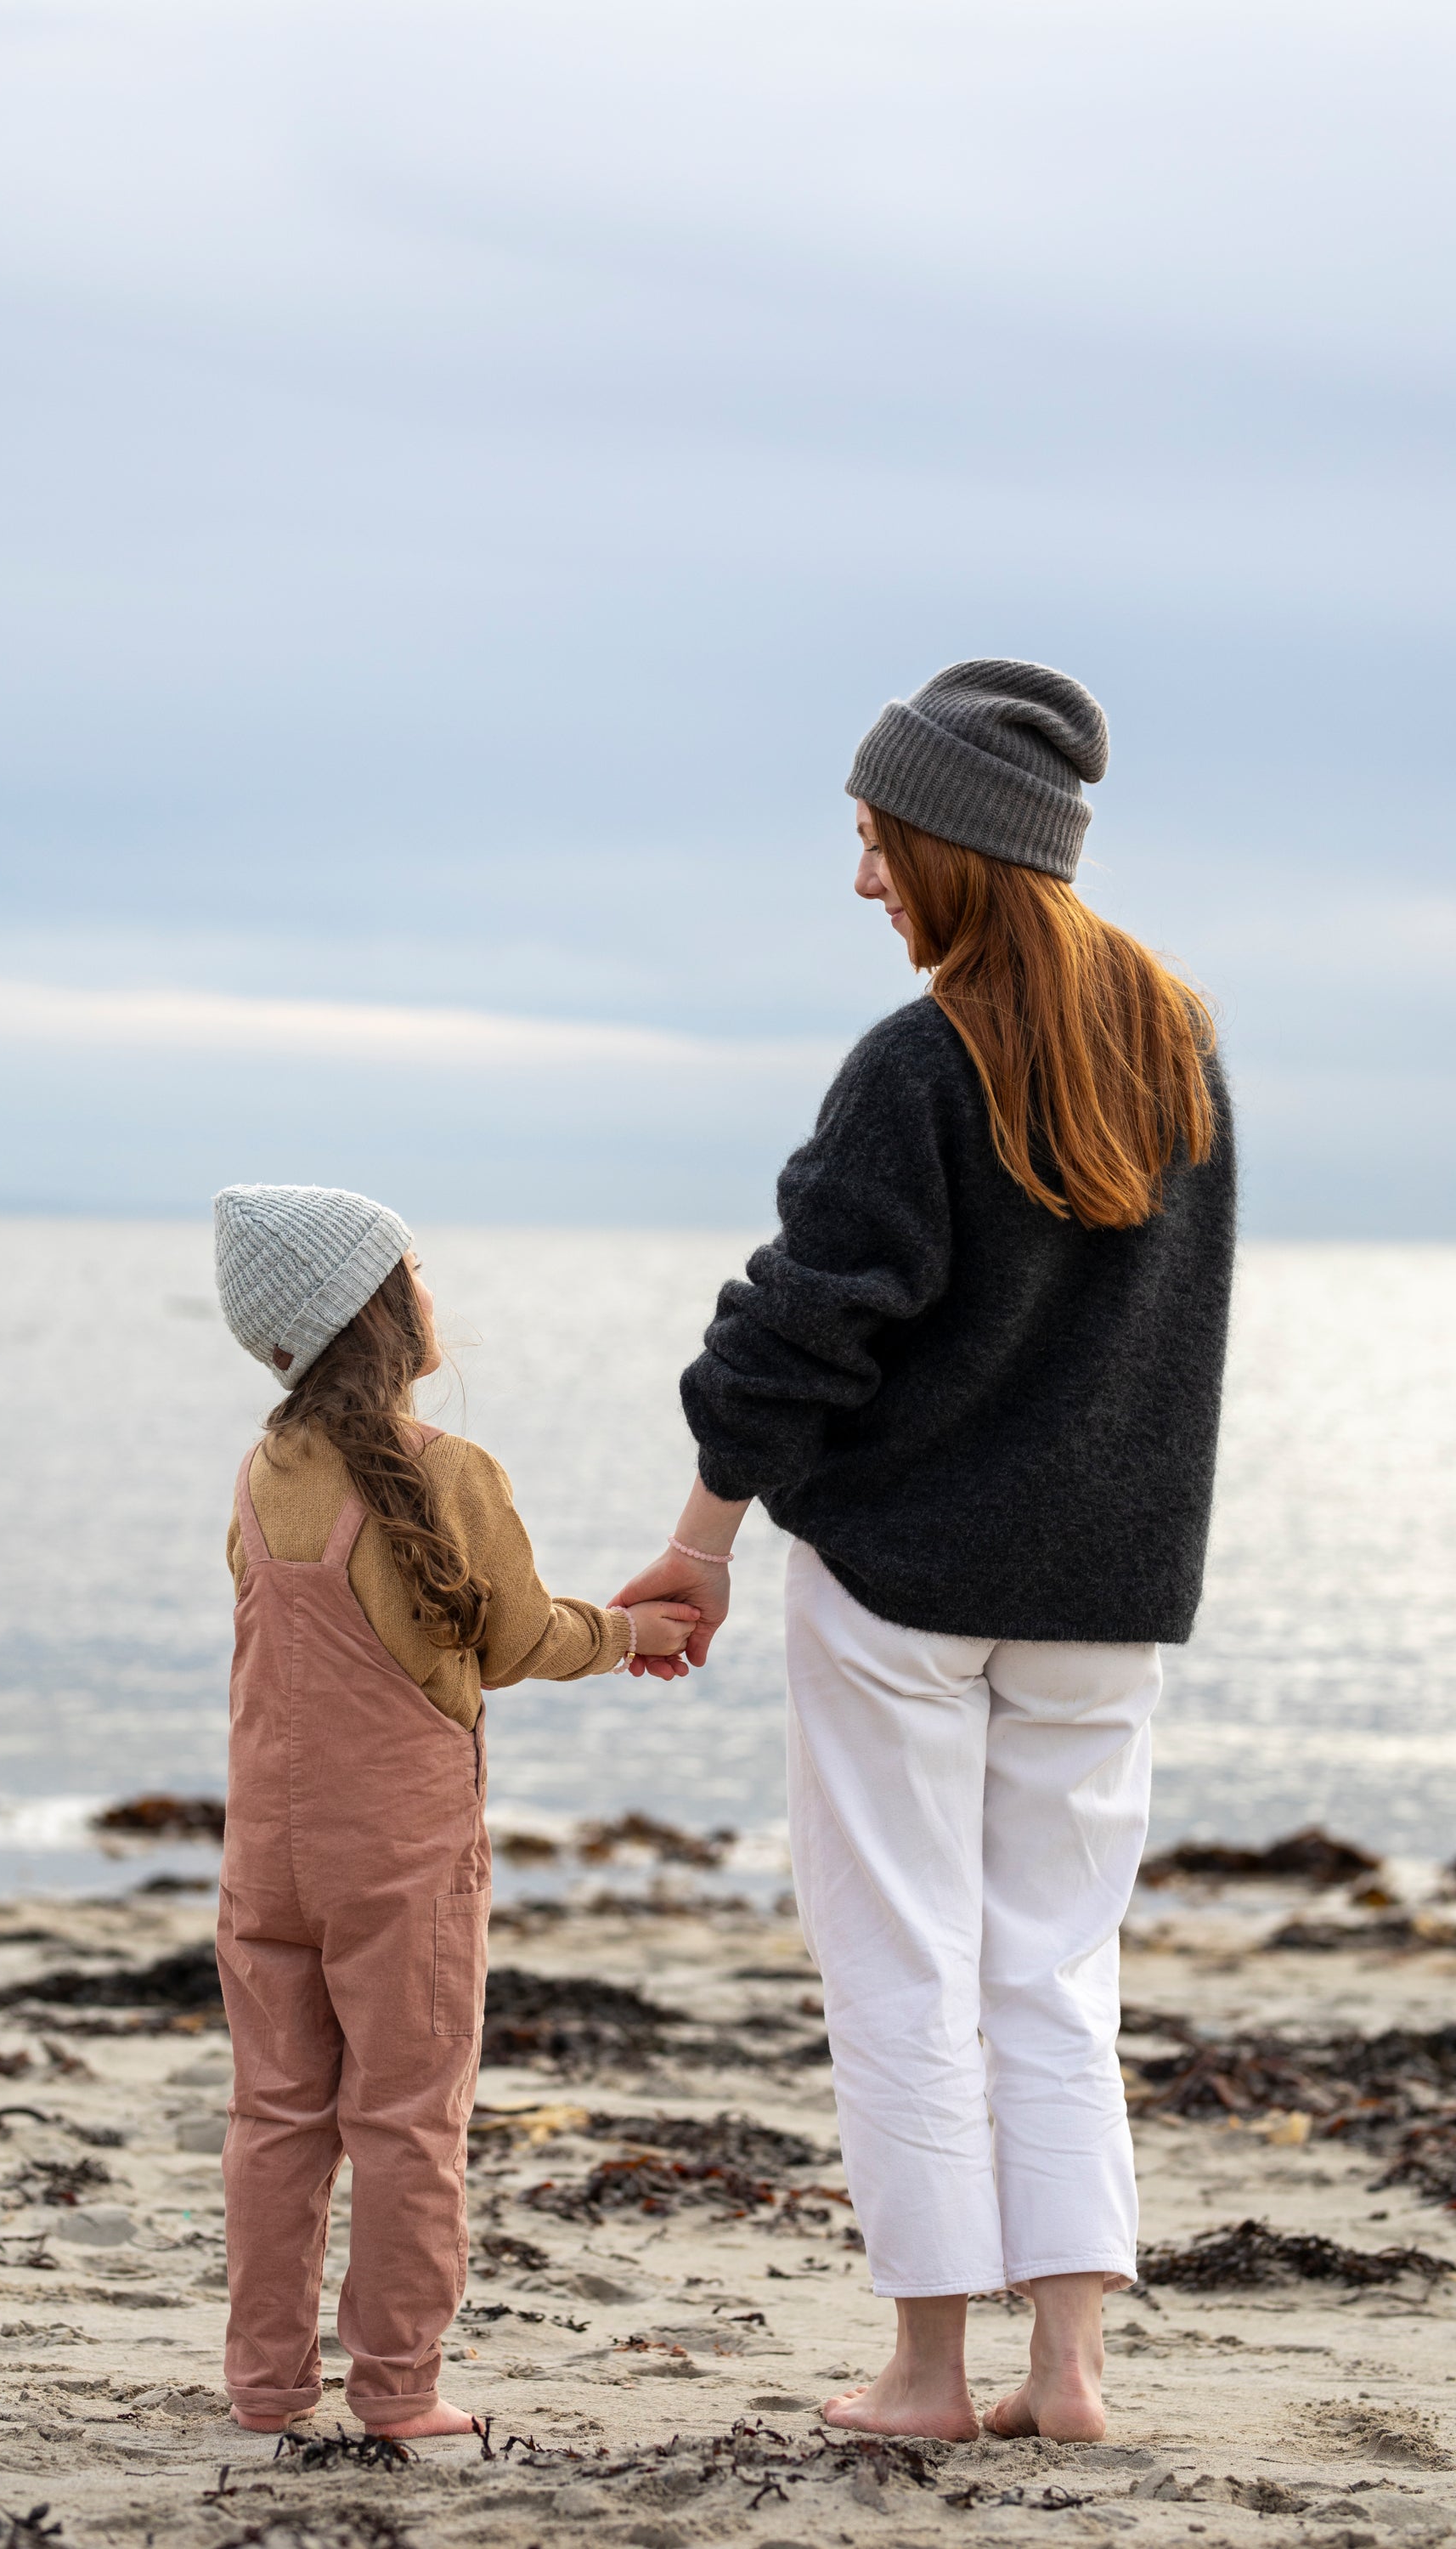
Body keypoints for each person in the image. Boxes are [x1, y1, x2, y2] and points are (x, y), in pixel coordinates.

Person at [614, 659, 1235, 2444]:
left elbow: (797, 1329)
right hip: (1105, 1593)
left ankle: (928, 2375)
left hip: (903, 1582)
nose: (864, 876)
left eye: (879, 840)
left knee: (902, 1961)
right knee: (1055, 1969)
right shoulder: (1175, 1041)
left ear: (956, 844)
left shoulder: (920, 1058)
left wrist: (701, 1545)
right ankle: (1072, 2373)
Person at [210, 1184, 697, 2439]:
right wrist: (632, 1632)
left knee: (275, 2118)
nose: (431, 1287)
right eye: (414, 1268)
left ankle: (267, 2387)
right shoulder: (448, 1472)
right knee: (408, 2123)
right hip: (403, 1864)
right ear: (375, 1308)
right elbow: (521, 1639)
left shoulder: (262, 1475)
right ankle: (398, 2390)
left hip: (265, 1858)